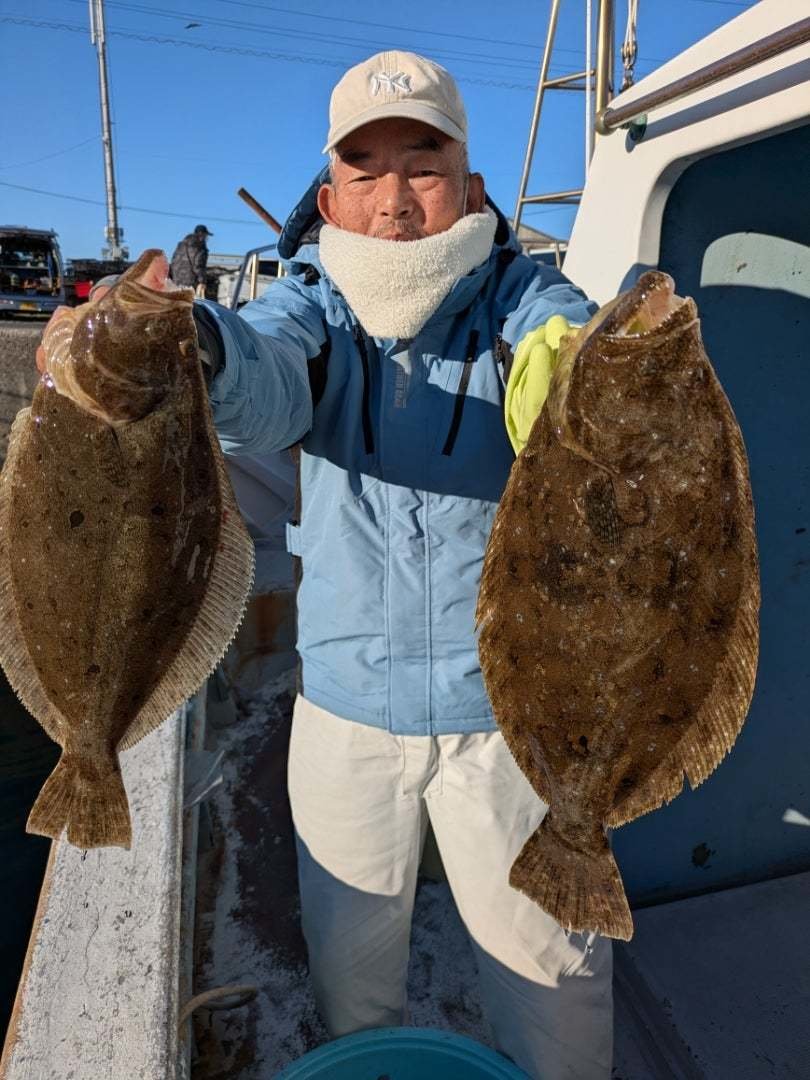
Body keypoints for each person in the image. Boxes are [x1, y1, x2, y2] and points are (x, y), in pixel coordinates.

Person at [43, 51, 613, 1079]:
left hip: (514, 717)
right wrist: (193, 343)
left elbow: (559, 361)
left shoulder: (527, 297)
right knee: (352, 986)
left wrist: (572, 388)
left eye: (424, 164)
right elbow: (262, 378)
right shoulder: (313, 305)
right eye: (366, 169)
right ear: (332, 197)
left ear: (471, 185)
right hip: (348, 709)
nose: (396, 198)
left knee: (555, 991)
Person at [169, 223, 212, 297]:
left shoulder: (181, 244)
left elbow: (173, 261)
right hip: (190, 281)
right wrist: (202, 281)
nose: (206, 238)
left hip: (176, 280)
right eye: (206, 235)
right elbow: (198, 265)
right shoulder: (200, 246)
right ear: (202, 235)